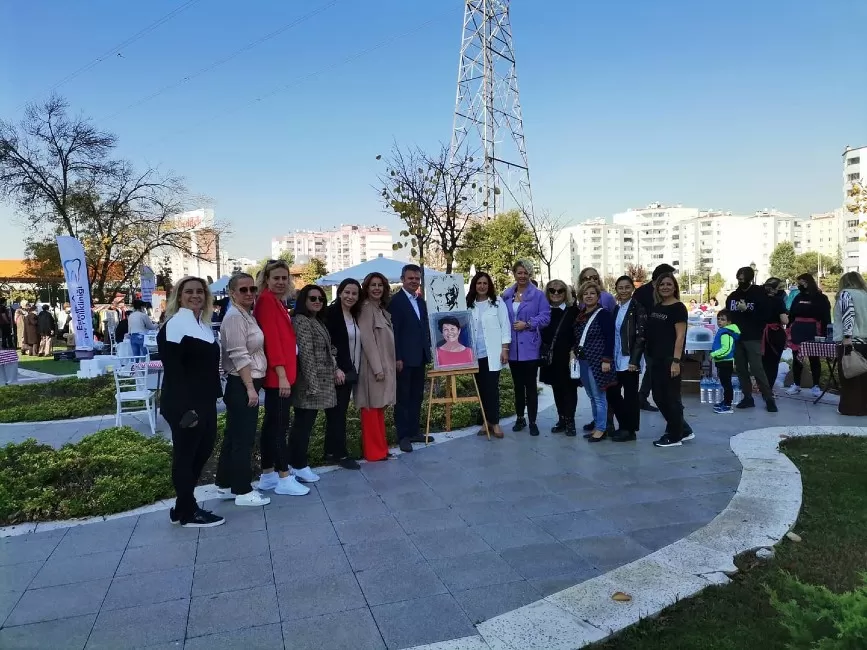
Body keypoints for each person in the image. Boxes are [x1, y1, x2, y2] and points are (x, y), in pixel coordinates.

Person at [157, 276, 224, 527]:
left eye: (200, 291)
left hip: (205, 400)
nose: (195, 295)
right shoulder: (175, 324)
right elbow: (173, 371)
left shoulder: (202, 325)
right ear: (179, 296)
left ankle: (181, 507)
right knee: (185, 457)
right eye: (189, 291)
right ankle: (188, 512)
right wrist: (186, 409)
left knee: (201, 454)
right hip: (184, 404)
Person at [253, 259, 308, 496]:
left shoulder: (275, 301)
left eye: (284, 278)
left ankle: (268, 475)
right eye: (276, 278)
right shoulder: (266, 301)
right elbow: (272, 342)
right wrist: (282, 375)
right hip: (278, 377)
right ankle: (284, 477)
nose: (281, 282)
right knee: (278, 427)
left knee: (272, 426)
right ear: (266, 279)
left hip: (283, 375)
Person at [215, 273, 271, 507]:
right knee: (243, 439)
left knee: (233, 436)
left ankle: (225, 483)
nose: (249, 293)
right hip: (242, 383)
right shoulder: (235, 318)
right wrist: (250, 388)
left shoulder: (245, 314)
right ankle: (242, 490)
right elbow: (239, 354)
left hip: (246, 383)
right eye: (243, 290)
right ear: (232, 293)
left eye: (252, 289)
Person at [288, 285, 338, 484]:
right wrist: (313, 385)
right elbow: (306, 354)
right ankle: (298, 465)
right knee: (303, 425)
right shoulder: (301, 320)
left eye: (321, 299)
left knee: (305, 424)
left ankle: (297, 463)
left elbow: (326, 347)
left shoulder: (316, 320)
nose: (317, 302)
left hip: (319, 379)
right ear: (304, 300)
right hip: (309, 382)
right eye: (313, 298)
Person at [502, 259, 550, 436]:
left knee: (530, 386)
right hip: (512, 348)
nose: (522, 276)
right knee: (517, 386)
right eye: (519, 272)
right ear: (514, 274)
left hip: (530, 348)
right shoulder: (506, 295)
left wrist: (528, 324)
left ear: (530, 274)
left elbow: (546, 317)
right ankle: (520, 418)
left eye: (525, 273)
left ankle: (533, 421)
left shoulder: (538, 295)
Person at [388, 264, 432, 453]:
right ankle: (403, 436)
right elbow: (394, 332)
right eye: (410, 278)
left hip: (420, 357)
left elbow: (424, 327)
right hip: (404, 360)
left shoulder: (421, 301)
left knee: (417, 396)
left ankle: (414, 432)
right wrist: (397, 357)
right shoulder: (395, 302)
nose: (414, 281)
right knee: (403, 399)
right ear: (402, 279)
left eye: (417, 278)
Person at [645, 272, 692, 448]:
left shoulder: (678, 308)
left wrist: (676, 361)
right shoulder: (657, 307)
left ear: (674, 287)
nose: (665, 287)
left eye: (669, 284)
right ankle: (683, 429)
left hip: (670, 359)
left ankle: (674, 436)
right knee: (658, 397)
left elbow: (680, 337)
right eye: (662, 284)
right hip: (655, 358)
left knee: (671, 398)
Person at [724, 266, 778, 412]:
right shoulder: (733, 296)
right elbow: (728, 315)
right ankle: (747, 397)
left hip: (753, 337)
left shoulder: (759, 294)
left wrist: (747, 310)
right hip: (737, 337)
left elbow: (765, 315)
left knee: (757, 368)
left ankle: (769, 398)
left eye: (743, 279)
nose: (741, 281)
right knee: (741, 369)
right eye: (739, 279)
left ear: (750, 278)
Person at [356, 272, 396, 460]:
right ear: (366, 288)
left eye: (380, 285)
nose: (377, 288)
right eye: (373, 285)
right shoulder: (366, 309)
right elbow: (367, 340)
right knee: (371, 409)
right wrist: (378, 368)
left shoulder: (379, 309)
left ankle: (381, 448)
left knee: (379, 409)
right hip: (373, 369)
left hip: (383, 367)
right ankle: (374, 452)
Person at [324, 279, 363, 469]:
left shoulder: (354, 314)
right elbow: (327, 344)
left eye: (354, 293)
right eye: (347, 292)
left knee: (338, 413)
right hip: (337, 372)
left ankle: (330, 452)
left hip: (350, 370)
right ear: (340, 293)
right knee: (337, 414)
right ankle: (341, 454)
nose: (350, 296)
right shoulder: (331, 314)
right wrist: (335, 368)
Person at [467, 271, 511, 439]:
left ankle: (495, 422)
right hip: (474, 355)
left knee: (492, 388)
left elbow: (505, 325)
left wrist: (505, 349)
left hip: (492, 353)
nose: (482, 286)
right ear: (474, 285)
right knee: (481, 389)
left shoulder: (497, 302)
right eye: (479, 283)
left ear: (489, 285)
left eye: (485, 283)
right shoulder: (468, 304)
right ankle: (486, 422)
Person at [571, 282, 616, 442]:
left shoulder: (603, 314)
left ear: (598, 296)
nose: (589, 296)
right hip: (583, 360)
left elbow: (610, 338)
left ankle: (602, 429)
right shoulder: (581, 314)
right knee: (591, 395)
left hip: (597, 360)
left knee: (599, 396)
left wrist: (606, 360)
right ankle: (597, 426)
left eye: (592, 293)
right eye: (585, 294)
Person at [606, 276, 646, 441]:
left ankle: (630, 430)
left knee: (630, 396)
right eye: (620, 288)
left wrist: (634, 361)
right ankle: (624, 424)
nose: (624, 291)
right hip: (616, 357)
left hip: (629, 359)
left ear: (632, 289)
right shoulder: (616, 308)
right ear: (616, 289)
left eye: (627, 287)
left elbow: (641, 336)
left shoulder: (638, 308)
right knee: (612, 392)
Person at [539, 279, 579, 436]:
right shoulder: (544, 311)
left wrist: (574, 351)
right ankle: (561, 419)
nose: (556, 293)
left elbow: (578, 334)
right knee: (556, 388)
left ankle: (570, 421)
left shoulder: (573, 311)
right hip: (550, 357)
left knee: (569, 389)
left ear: (566, 292)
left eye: (560, 290)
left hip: (568, 356)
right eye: (552, 290)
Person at [634, 263, 677, 412]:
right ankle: (645, 397)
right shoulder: (642, 292)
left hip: (661, 336)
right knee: (652, 367)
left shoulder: (665, 292)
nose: (669, 281)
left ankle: (645, 397)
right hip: (645, 336)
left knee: (652, 368)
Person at [785, 273, 832, 398]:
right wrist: (788, 329)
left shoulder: (821, 298)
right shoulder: (797, 297)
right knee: (796, 358)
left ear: (807, 282)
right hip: (797, 329)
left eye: (801, 282)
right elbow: (791, 315)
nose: (799, 285)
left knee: (814, 359)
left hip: (813, 330)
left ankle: (816, 386)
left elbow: (826, 317)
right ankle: (796, 384)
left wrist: (825, 333)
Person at [834, 272, 867, 416]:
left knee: (849, 375)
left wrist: (847, 337)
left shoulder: (846, 294)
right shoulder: (865, 294)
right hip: (865, 341)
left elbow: (849, 315)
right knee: (864, 378)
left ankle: (850, 408)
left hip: (851, 341)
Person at [709, 309, 740, 414]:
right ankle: (725, 401)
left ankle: (728, 405)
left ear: (729, 322)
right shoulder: (723, 331)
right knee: (724, 383)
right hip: (722, 361)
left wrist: (713, 354)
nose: (719, 321)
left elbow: (726, 349)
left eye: (723, 319)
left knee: (727, 384)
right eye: (718, 319)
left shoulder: (726, 333)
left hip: (726, 362)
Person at [760, 278, 789, 390]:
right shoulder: (778, 301)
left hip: (759, 332)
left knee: (762, 362)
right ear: (773, 289)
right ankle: (768, 389)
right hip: (774, 333)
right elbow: (785, 320)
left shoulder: (758, 300)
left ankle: (761, 386)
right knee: (773, 363)